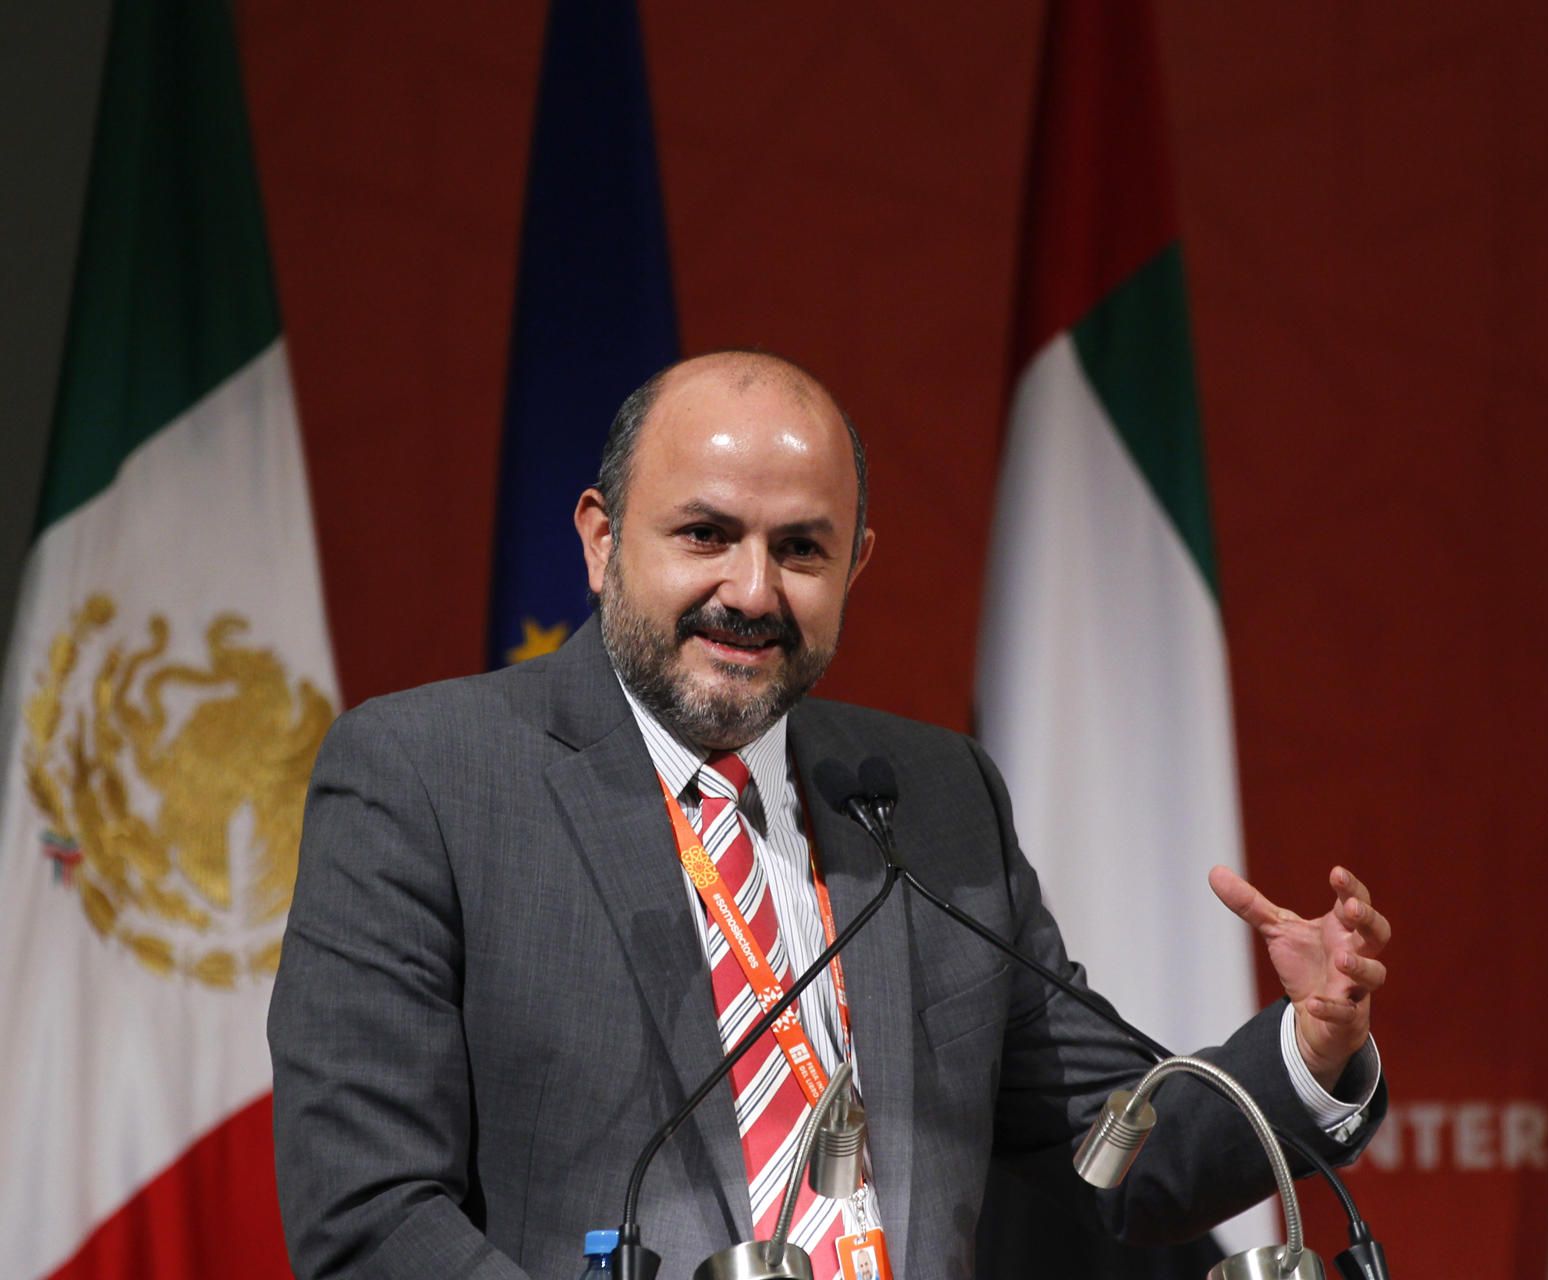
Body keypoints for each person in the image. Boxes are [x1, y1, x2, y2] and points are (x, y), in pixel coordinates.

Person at [267, 350, 1390, 1279]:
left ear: (853, 563)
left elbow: (1109, 1149)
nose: (753, 591)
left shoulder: (930, 794)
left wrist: (1311, 1044)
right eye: (706, 534)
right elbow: (370, 1216)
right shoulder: (426, 776)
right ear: (602, 538)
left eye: (800, 548)